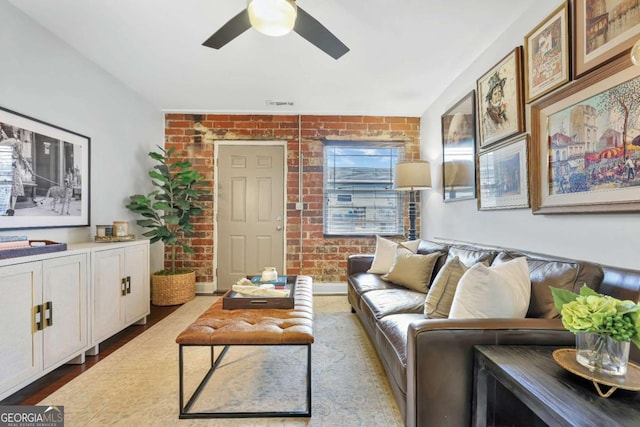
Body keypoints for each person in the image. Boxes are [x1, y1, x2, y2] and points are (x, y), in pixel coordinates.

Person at [0, 125, 35, 215]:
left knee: (6, 188)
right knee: (14, 188)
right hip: (13, 167)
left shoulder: (3, 144)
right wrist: (30, 169)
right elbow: (22, 157)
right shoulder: (16, 143)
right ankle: (12, 208)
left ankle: (8, 208)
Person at [483, 71, 508, 137]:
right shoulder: (488, 116)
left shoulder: (503, 112)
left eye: (499, 92)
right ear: (490, 98)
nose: (498, 95)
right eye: (495, 94)